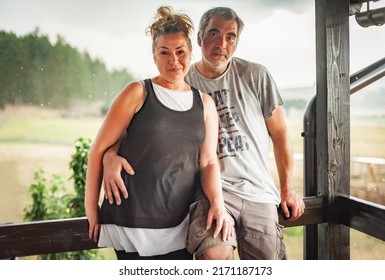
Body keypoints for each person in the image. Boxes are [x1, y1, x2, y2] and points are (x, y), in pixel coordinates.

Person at [102, 7, 305, 260]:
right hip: (209, 192)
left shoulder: (256, 75)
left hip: (258, 191)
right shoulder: (180, 79)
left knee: (267, 263)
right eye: (213, 34)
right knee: (213, 255)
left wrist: (287, 189)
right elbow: (134, 127)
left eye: (230, 36)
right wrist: (109, 155)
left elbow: (281, 134)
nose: (222, 43)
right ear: (198, 39)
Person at [84, 6, 233, 260]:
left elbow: (208, 162)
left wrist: (218, 203)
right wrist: (91, 210)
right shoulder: (137, 92)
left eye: (180, 52)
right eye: (164, 53)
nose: (173, 60)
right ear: (154, 56)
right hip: (132, 222)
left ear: (190, 52)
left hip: (180, 221)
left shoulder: (205, 103)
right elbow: (99, 149)